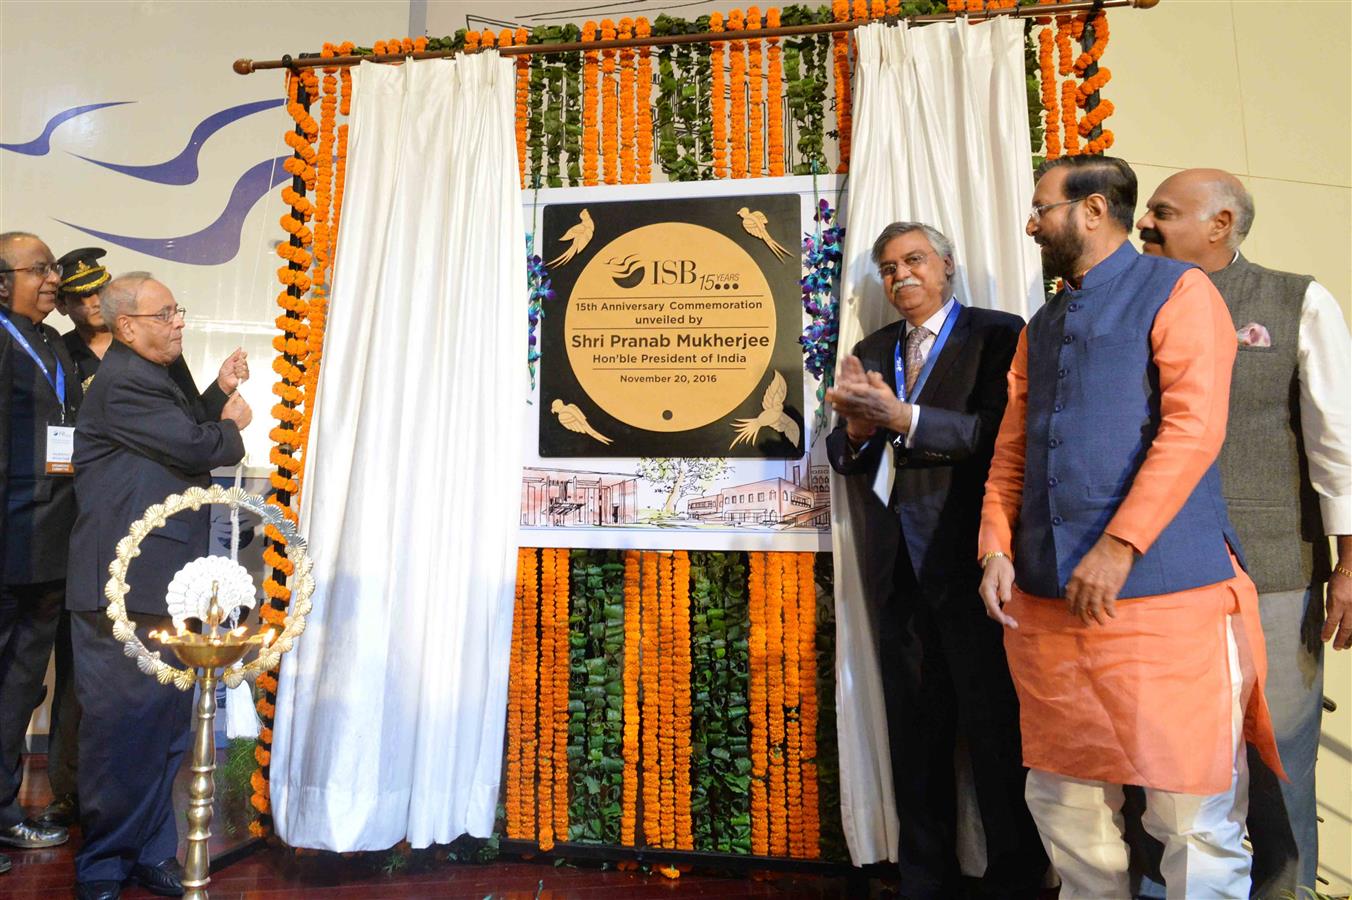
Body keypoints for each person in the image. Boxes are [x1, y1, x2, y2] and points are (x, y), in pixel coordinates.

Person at [977, 155, 1284, 898]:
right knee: (1063, 804)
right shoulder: (1043, 324)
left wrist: (1121, 545)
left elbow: (1192, 430)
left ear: (1091, 211)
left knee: (1191, 814)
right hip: (1050, 609)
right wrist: (993, 546)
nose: (1031, 222)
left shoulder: (1179, 291)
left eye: (1043, 207)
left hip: (1164, 599)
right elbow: (1012, 452)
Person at [1132, 168, 1351, 897]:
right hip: (1158, 576)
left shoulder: (1295, 300)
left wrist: (1348, 566)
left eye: (1164, 212)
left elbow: (1338, 445)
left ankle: (1284, 891)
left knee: (1279, 756)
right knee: (1162, 759)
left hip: (1275, 571)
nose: (1145, 224)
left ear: (1220, 223)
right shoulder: (1130, 301)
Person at [825, 222, 1047, 899]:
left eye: (914, 261)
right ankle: (925, 882)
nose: (901, 277)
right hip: (897, 572)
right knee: (915, 741)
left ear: (946, 267)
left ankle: (1014, 880)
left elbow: (999, 436)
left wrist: (905, 418)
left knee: (994, 737)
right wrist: (861, 429)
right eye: (888, 268)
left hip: (977, 565)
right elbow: (844, 457)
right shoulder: (873, 347)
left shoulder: (998, 333)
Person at [39, 250, 249, 831]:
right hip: (123, 584)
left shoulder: (149, 375)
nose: (179, 321)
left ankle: (152, 851)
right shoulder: (127, 382)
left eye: (178, 311)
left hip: (159, 581)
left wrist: (215, 404)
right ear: (127, 326)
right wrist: (231, 428)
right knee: (121, 732)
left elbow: (174, 434)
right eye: (166, 314)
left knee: (160, 729)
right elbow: (191, 445)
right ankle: (104, 866)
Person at [0, 232, 78, 865]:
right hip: (7, 547)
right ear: (2, 280)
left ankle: (5, 813)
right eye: (40, 268)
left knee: (22, 693)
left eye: (53, 267)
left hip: (48, 553)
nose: (53, 278)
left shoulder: (53, 343)